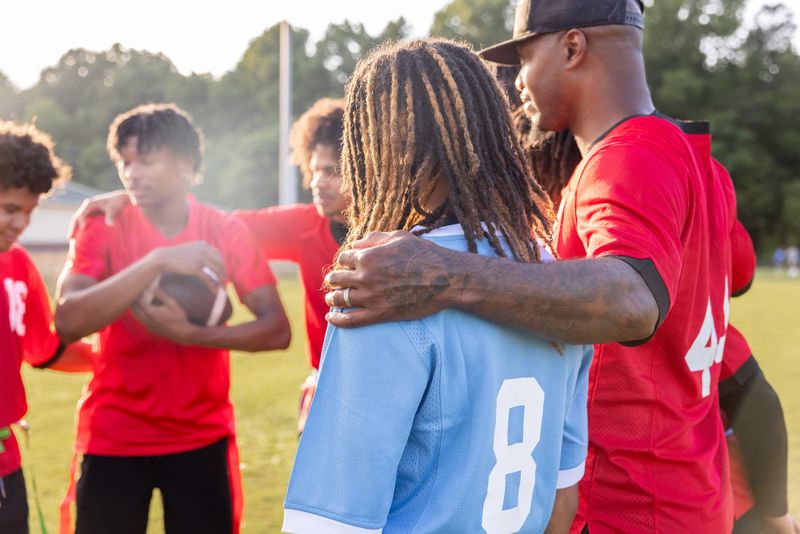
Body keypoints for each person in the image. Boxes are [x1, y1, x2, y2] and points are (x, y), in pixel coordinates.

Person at [323, 1, 737, 532]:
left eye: (524, 54)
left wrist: (441, 274)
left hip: (627, 502)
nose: (516, 80)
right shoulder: (700, 162)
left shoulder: (626, 157)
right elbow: (735, 283)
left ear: (571, 46)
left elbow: (631, 299)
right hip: (693, 490)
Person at [283, 38, 592, 533]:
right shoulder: (555, 277)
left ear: (376, 147)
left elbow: (330, 523)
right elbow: (561, 501)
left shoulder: (382, 283)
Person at [54, 103, 291, 534]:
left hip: (201, 434)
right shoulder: (103, 223)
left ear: (184, 163)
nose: (132, 174)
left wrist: (192, 334)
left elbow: (277, 329)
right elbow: (69, 321)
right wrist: (158, 260)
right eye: (125, 162)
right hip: (114, 432)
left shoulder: (223, 229)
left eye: (146, 160)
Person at [68, 98, 349, 436]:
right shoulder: (303, 225)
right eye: (315, 169)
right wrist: (133, 193)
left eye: (333, 171)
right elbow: (214, 218)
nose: (318, 181)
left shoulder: (403, 232)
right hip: (331, 396)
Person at [0, 120, 93, 534]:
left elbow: (46, 349)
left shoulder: (18, 266)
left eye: (29, 212)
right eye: (9, 209)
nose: (20, 224)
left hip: (5, 466)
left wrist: (117, 355)